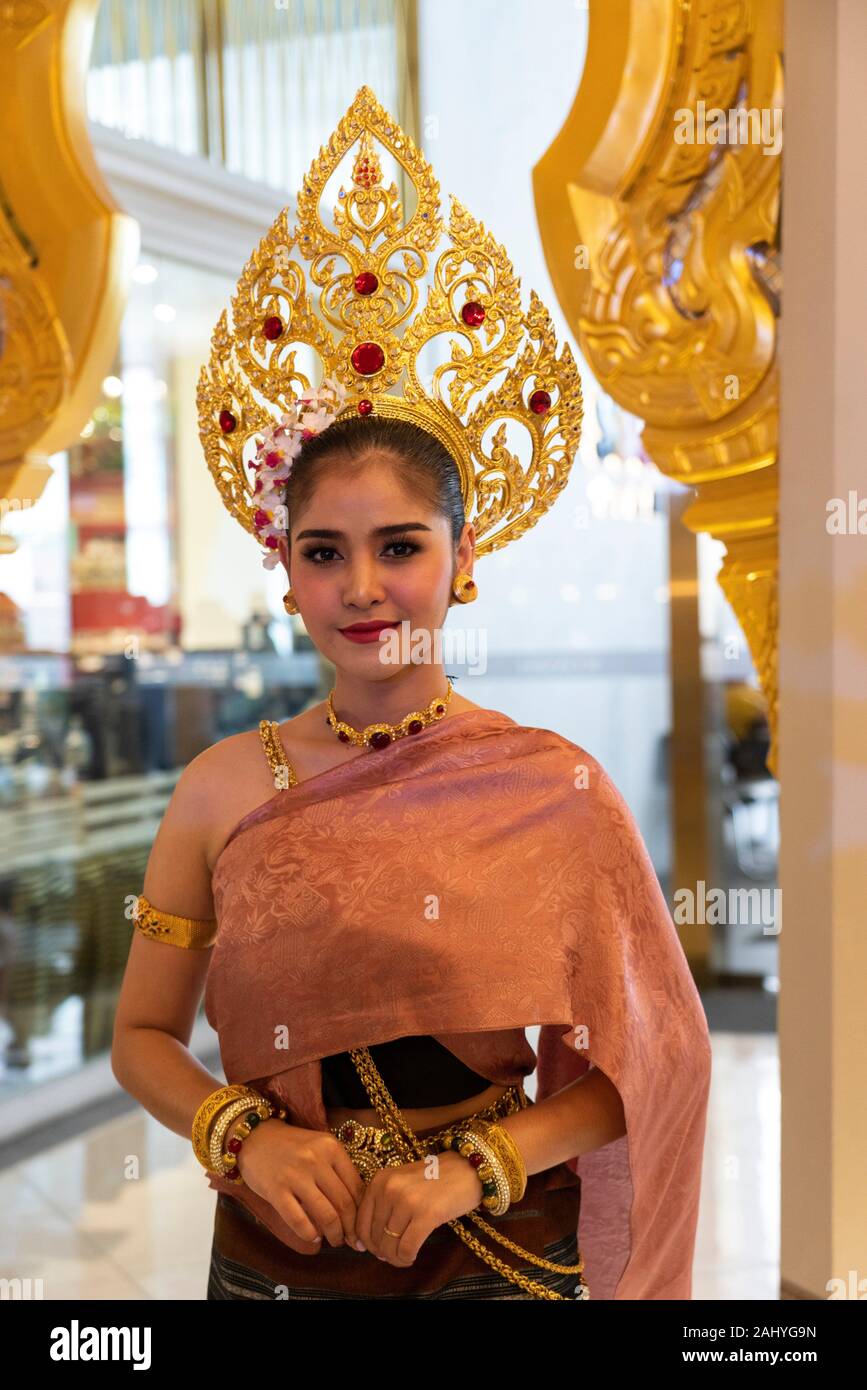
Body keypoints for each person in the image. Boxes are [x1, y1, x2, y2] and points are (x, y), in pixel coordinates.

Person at [111, 86, 712, 1301]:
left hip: (492, 1247)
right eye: (323, 552)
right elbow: (140, 1038)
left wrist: (478, 1163)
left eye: (400, 546)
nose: (364, 587)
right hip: (283, 1244)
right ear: (285, 575)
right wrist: (244, 1135)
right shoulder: (220, 788)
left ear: (462, 559)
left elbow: (651, 1056)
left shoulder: (553, 788)